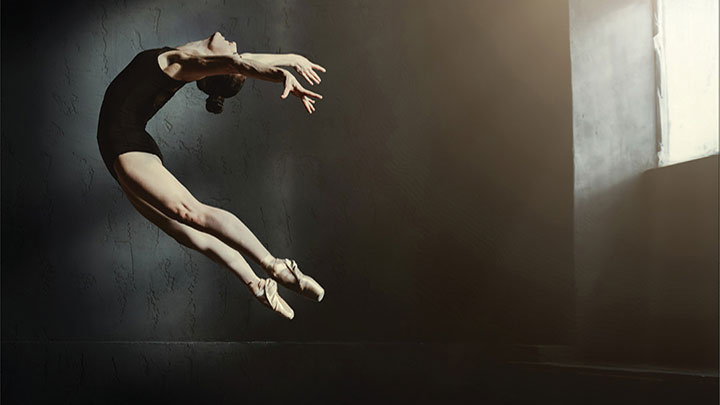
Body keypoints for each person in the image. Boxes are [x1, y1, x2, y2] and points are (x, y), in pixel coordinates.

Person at [96, 31, 327, 320]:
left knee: (190, 214)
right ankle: (257, 285)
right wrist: (291, 59)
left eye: (232, 52)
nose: (232, 42)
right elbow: (243, 61)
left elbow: (239, 65)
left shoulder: (182, 63)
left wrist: (280, 75)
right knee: (186, 233)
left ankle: (274, 266)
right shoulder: (191, 56)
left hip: (125, 145)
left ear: (215, 67)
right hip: (124, 148)